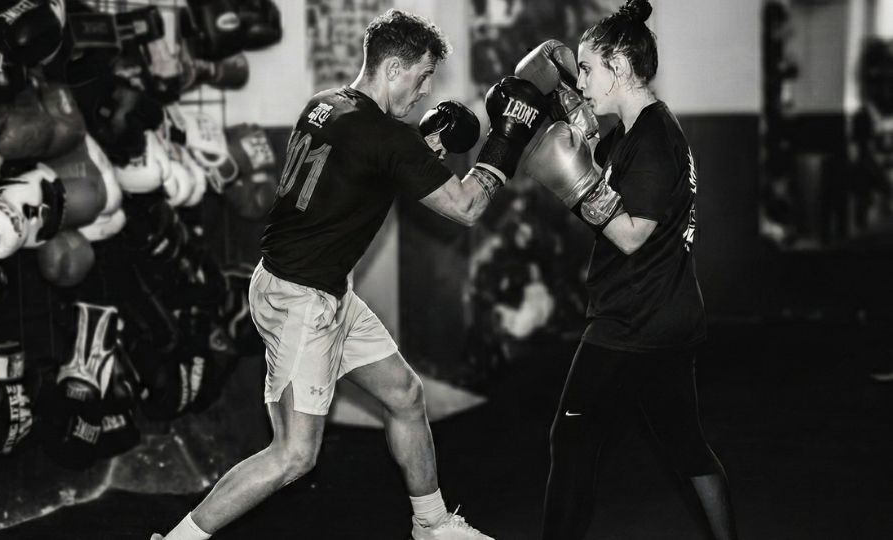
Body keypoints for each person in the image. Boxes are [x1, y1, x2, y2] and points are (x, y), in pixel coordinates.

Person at [152, 8, 548, 540]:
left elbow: (358, 172)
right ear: (392, 69)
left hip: (317, 288)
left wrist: (422, 145)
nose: (426, 91)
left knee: (405, 395)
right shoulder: (387, 139)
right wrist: (508, 138)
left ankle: (432, 525)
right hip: (301, 298)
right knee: (293, 455)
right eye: (422, 75)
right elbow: (466, 206)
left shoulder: (327, 105)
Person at [518, 1, 739, 539]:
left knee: (570, 440)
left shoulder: (656, 139)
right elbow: (596, 159)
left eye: (590, 69)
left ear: (619, 67)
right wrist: (569, 110)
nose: (584, 80)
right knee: (685, 445)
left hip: (633, 319)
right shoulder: (634, 133)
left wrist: (576, 185)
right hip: (667, 311)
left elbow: (632, 234)